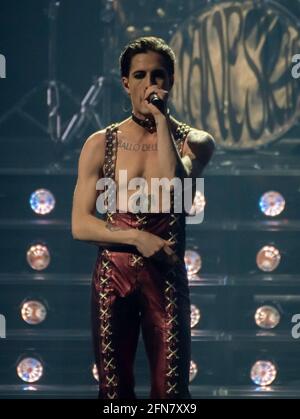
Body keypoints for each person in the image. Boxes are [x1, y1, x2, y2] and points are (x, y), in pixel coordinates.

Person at [71, 36, 215, 399]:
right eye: (140, 75)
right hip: (112, 278)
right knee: (114, 390)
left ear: (172, 81)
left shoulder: (194, 141)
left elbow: (172, 188)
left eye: (159, 75)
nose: (150, 84)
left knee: (171, 391)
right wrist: (137, 238)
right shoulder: (100, 143)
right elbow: (80, 224)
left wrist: (161, 119)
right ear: (125, 82)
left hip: (164, 278)